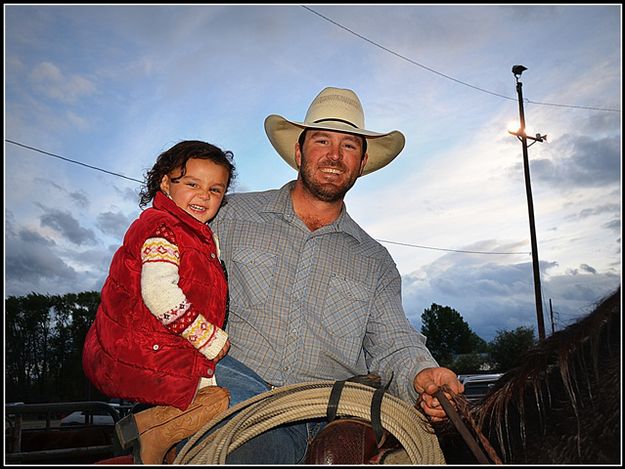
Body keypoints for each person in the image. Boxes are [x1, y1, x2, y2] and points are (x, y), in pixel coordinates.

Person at [203, 87, 464, 464]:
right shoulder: (228, 216)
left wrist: (423, 374)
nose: (335, 155)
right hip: (239, 401)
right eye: (322, 140)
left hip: (334, 413)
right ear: (299, 152)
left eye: (349, 146)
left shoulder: (375, 260)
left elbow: (392, 341)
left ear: (361, 162)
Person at [82, 140, 236, 464]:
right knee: (219, 403)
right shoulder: (163, 229)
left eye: (215, 189)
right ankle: (151, 433)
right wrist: (207, 338)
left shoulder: (196, 234)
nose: (204, 195)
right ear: (166, 183)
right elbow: (160, 293)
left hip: (167, 343)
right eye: (192, 184)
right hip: (150, 347)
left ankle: (153, 437)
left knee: (215, 402)